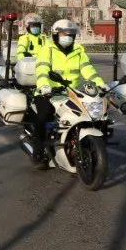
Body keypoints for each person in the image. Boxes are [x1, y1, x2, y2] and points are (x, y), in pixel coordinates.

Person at [31, 19, 105, 169]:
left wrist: (99, 83)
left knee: (94, 115)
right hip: (48, 93)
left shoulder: (78, 50)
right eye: (65, 34)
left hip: (71, 92)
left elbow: (87, 69)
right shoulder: (47, 49)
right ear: (56, 35)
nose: (69, 37)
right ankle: (38, 152)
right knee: (43, 116)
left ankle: (86, 144)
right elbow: (42, 70)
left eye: (71, 34)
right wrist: (44, 85)